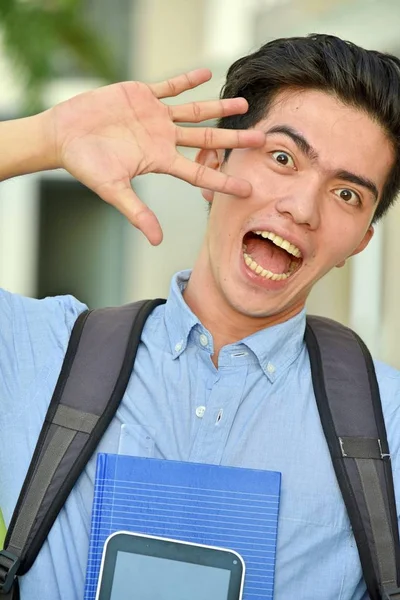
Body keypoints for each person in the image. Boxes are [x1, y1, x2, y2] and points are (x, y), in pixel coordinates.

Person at [0, 33, 400, 600]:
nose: (303, 208)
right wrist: (44, 138)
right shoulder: (41, 355)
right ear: (213, 159)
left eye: (347, 195)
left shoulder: (390, 428)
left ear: (361, 241)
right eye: (283, 158)